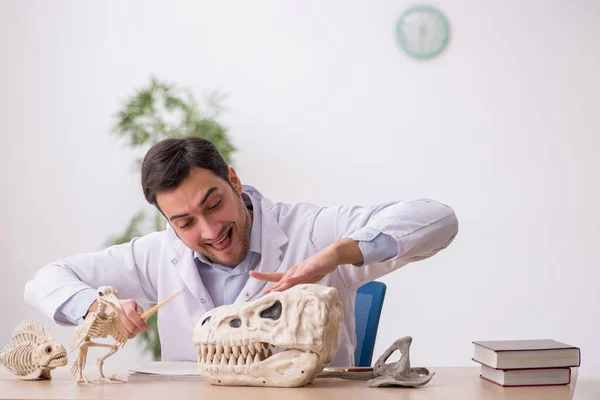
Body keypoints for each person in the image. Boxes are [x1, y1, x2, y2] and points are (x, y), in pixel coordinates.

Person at [24, 136, 458, 367]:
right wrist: (95, 309)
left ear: (233, 180)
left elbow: (437, 218)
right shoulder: (156, 254)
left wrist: (336, 254)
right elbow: (46, 279)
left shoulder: (311, 230)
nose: (211, 231)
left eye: (213, 205)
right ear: (167, 220)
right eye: (185, 222)